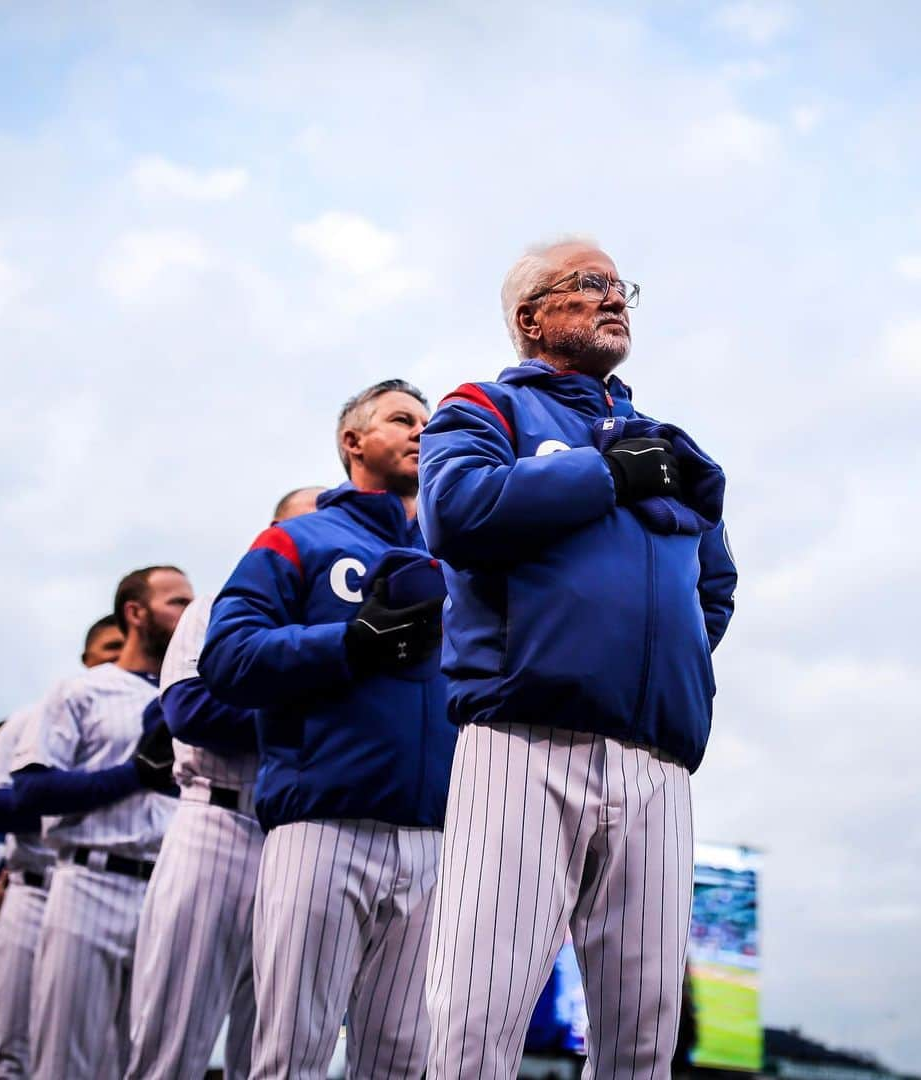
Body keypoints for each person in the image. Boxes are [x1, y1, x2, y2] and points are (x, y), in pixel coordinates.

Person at [418, 239, 738, 1078]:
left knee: (643, 1037)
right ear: (531, 317)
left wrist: (665, 665)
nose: (614, 298)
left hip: (658, 761)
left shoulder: (669, 444)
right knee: (477, 1014)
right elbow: (453, 511)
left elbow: (715, 586)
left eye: (619, 286)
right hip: (525, 741)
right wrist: (602, 474)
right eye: (590, 285)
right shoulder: (484, 408)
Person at [200, 382, 458, 1080]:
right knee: (294, 1054)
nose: (422, 432)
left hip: (435, 841)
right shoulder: (298, 537)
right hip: (323, 825)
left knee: (404, 1061)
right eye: (403, 419)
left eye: (431, 424)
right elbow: (225, 658)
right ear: (353, 443)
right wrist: (348, 644)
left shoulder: (460, 560)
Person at [124, 486, 324, 1080]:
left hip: (299, 837)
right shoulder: (216, 606)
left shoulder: (341, 627)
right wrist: (324, 715)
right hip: (217, 825)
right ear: (273, 535)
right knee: (173, 1041)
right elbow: (192, 713)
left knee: (273, 1039)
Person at [15, 567, 194, 1079]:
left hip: (165, 887)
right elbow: (31, 793)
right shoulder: (81, 692)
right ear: (136, 613)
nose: (187, 611)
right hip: (88, 882)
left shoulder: (185, 698)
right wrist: (132, 775)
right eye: (175, 602)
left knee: (146, 1059)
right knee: (65, 1062)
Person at [0, 615, 126, 1077]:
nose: (116, 655)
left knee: (108, 1056)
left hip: (113, 885)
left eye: (123, 646)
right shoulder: (34, 718)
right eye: (108, 647)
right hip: (35, 888)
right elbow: (2, 804)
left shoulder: (145, 719)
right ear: (86, 659)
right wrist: (97, 793)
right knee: (15, 1050)